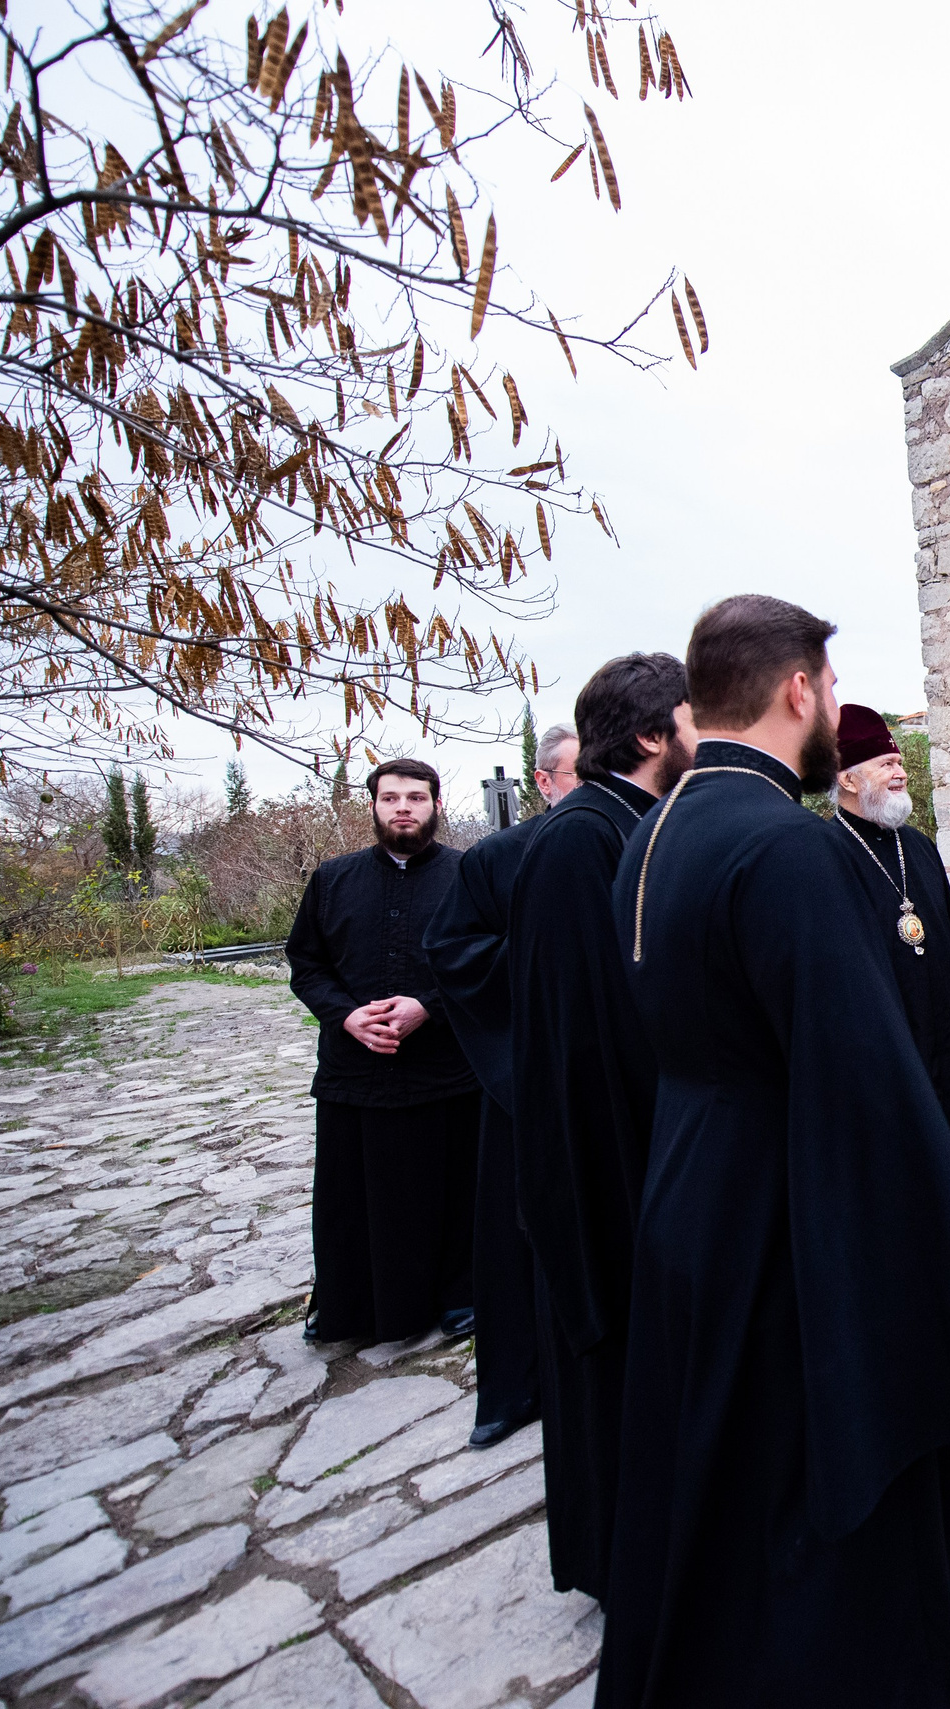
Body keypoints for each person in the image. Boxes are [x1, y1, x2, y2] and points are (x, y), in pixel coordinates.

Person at [598, 594, 950, 1707]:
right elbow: (863, 1086)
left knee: (725, 1473)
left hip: (690, 1189)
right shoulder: (785, 848)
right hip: (788, 1210)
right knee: (821, 1489)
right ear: (800, 690)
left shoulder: (649, 836)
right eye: (831, 688)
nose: (832, 705)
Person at [508, 655, 694, 1599]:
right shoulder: (580, 844)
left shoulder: (636, 827)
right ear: (656, 735)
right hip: (606, 1171)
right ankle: (628, 1569)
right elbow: (584, 1044)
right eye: (695, 715)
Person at [828, 702, 950, 1285]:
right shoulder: (826, 855)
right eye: (887, 762)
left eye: (900, 761)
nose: (900, 771)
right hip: (895, 1061)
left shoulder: (918, 846)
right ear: (846, 777)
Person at [286, 758, 480, 1347]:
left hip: (442, 1070)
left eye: (416, 798)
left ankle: (458, 1299)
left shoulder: (469, 875)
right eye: (391, 798)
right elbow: (307, 965)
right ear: (372, 806)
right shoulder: (332, 878)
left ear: (436, 806)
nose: (403, 808)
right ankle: (347, 1306)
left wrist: (428, 1006)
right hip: (354, 1072)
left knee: (448, 1195)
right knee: (351, 1200)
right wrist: (346, 1016)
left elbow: (488, 961)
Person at [422, 724, 577, 1449]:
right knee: (519, 1237)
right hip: (524, 1078)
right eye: (578, 775)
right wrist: (550, 949)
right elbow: (456, 954)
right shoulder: (496, 859)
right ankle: (516, 1388)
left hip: (622, 1082)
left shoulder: (641, 842)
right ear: (543, 782)